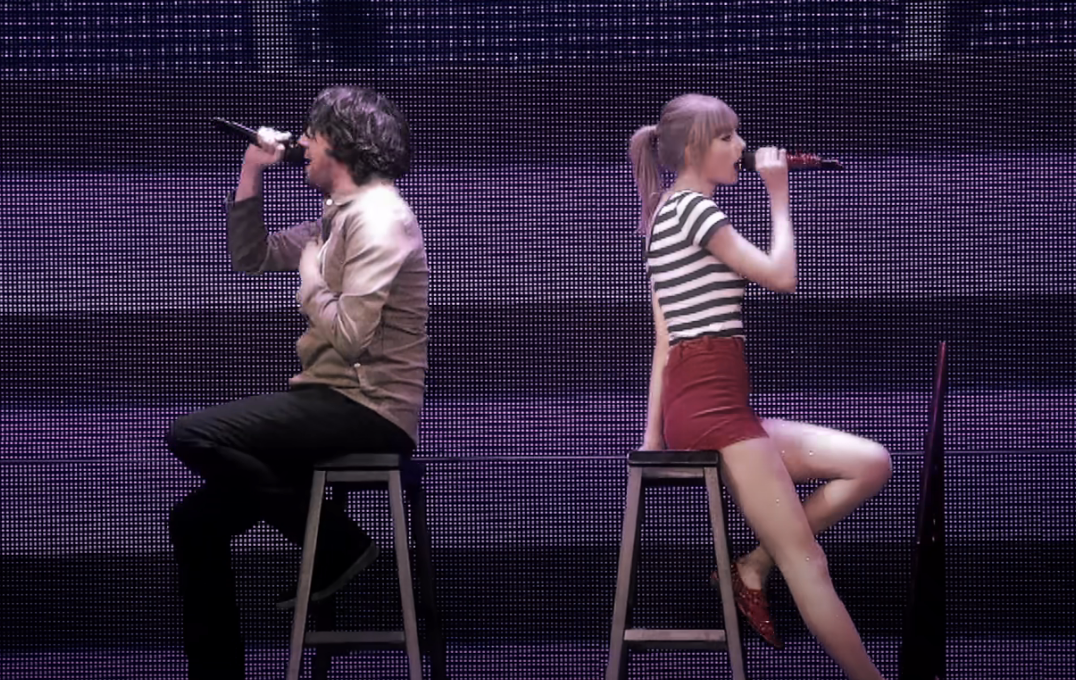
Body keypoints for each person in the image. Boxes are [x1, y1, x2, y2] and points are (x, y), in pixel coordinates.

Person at [166, 86, 428, 680]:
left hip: (370, 407)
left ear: (339, 142)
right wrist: (251, 171)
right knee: (194, 522)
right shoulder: (337, 220)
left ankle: (337, 543)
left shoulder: (381, 220)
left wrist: (311, 272)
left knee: (191, 434)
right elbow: (248, 256)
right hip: (323, 397)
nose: (302, 142)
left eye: (312, 133)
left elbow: (355, 338)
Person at [629, 93, 892, 679]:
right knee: (809, 562)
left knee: (871, 463)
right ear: (697, 149)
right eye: (729, 138)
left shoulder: (662, 218)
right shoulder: (696, 212)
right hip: (711, 405)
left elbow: (663, 341)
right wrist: (778, 191)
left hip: (710, 400)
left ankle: (752, 565)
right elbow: (782, 275)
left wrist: (653, 435)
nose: (743, 148)